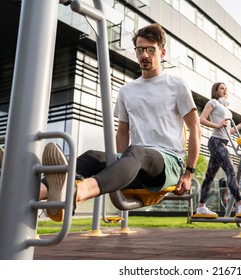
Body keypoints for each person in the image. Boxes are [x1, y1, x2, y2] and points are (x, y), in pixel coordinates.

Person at [41, 23, 201, 222]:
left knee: (136, 152)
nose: (145, 55)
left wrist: (188, 173)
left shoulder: (177, 84)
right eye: (140, 50)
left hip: (168, 163)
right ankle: (36, 191)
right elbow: (122, 133)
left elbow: (195, 128)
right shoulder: (127, 90)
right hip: (136, 161)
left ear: (162, 52)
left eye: (151, 49)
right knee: (91, 157)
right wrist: (117, 166)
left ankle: (77, 193)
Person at [195, 82, 241, 216]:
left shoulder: (226, 109)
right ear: (216, 91)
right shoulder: (213, 102)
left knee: (209, 176)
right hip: (215, 142)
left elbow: (228, 131)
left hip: (223, 141)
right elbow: (201, 119)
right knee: (231, 169)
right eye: (222, 88)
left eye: (226, 88)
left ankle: (201, 207)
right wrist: (217, 125)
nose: (225, 90)